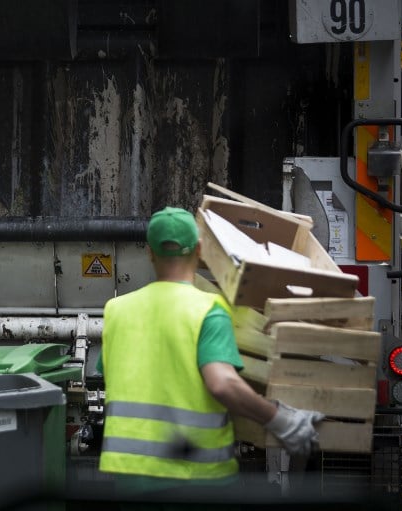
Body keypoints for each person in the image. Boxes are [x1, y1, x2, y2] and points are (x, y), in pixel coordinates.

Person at [97, 207, 324, 505]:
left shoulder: (117, 310)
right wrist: (281, 420)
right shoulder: (208, 309)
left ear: (150, 253)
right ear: (200, 250)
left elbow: (120, 375)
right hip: (198, 478)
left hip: (130, 477)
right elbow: (222, 384)